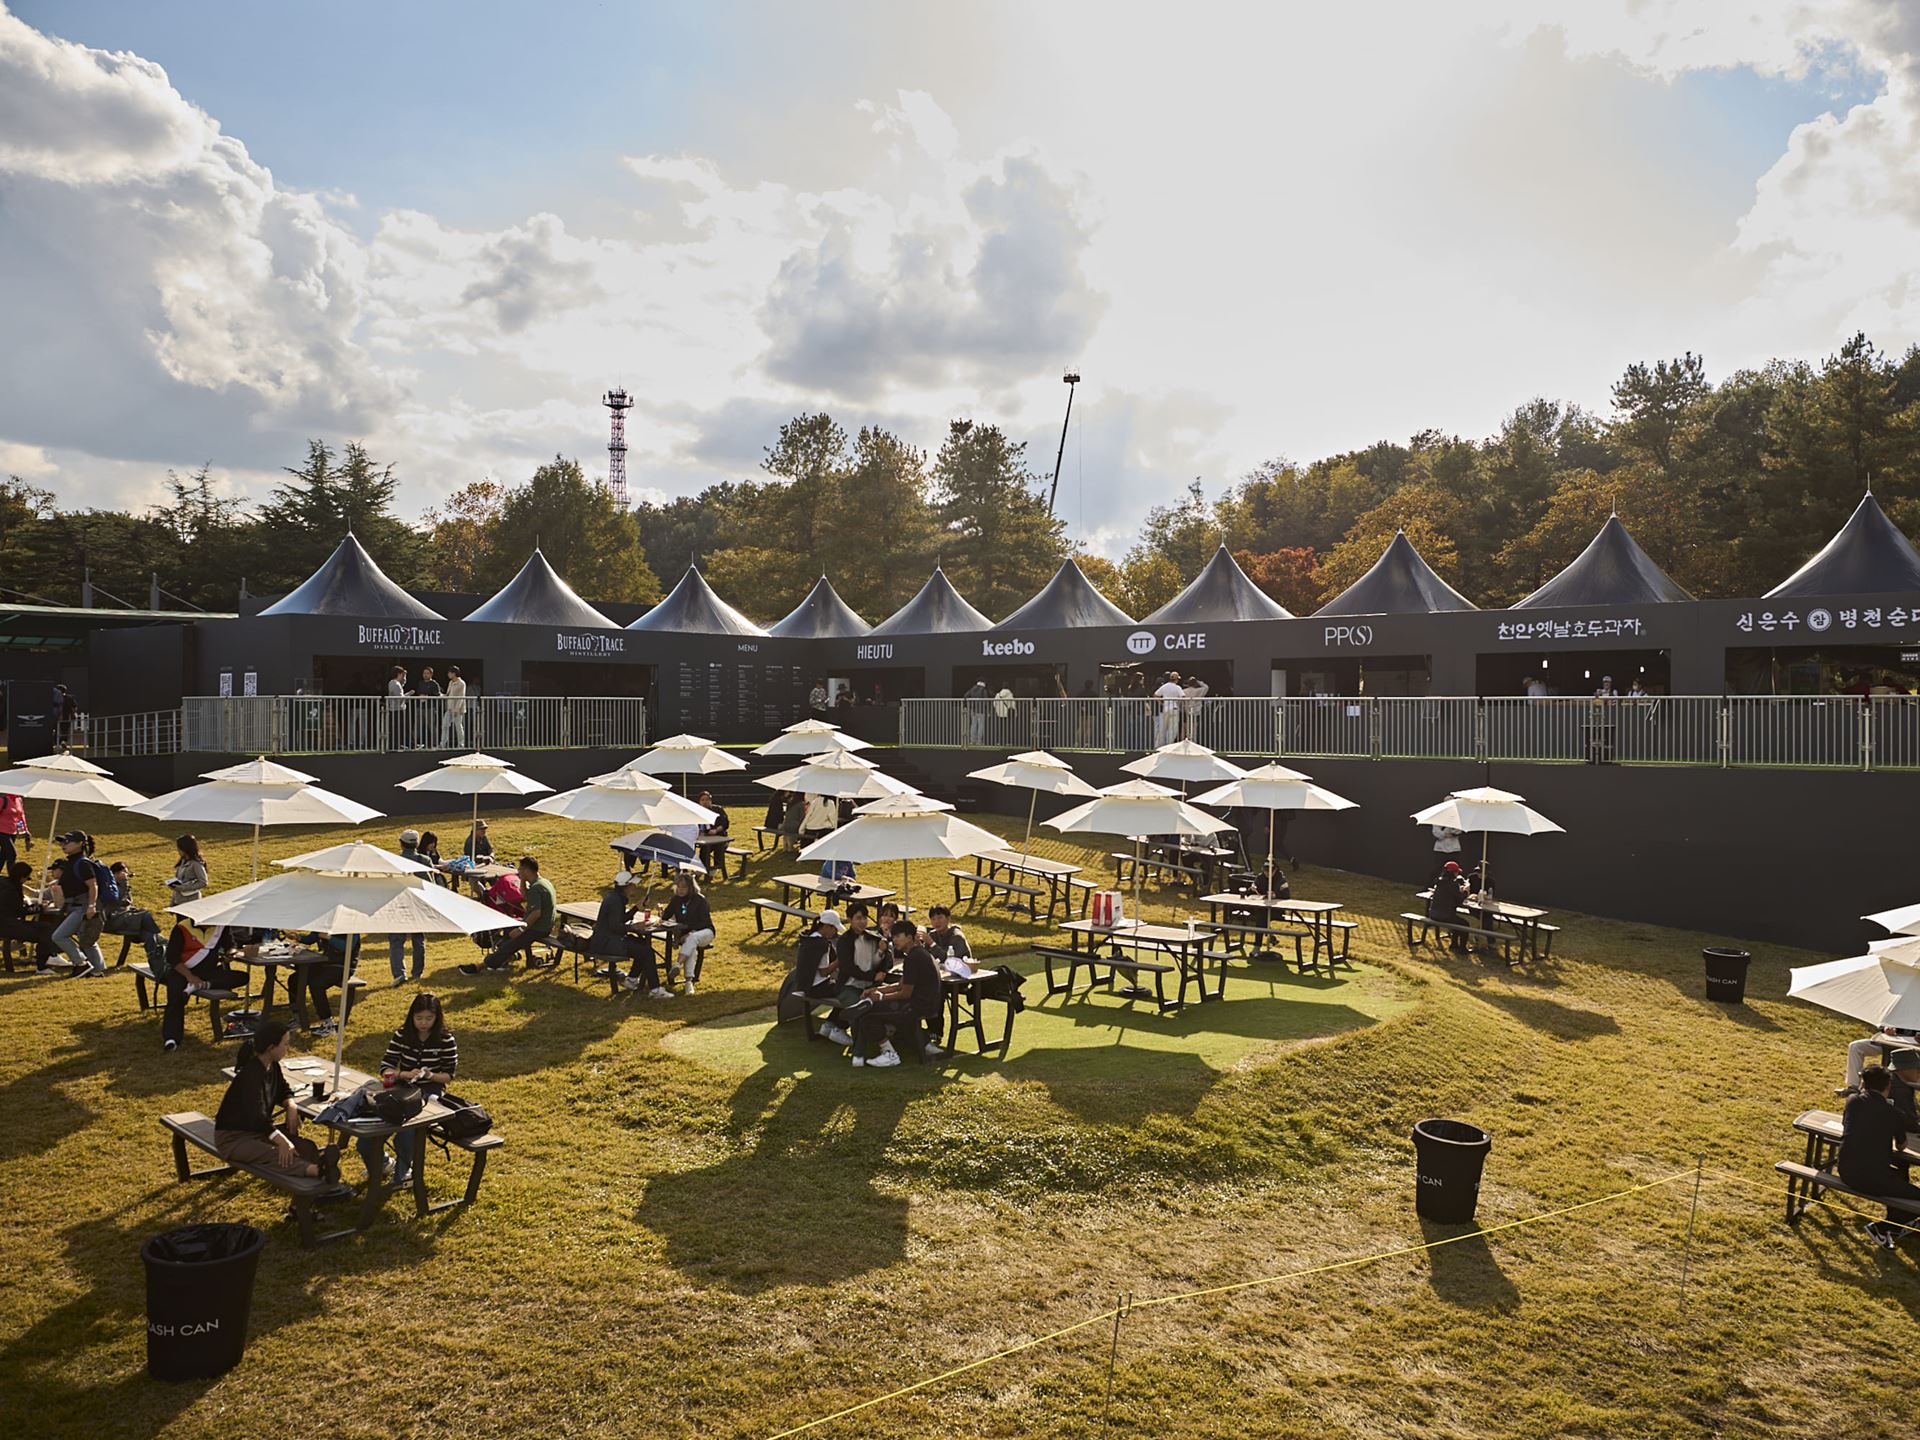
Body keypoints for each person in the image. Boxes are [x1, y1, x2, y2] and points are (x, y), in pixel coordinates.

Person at [213, 1019, 341, 1185]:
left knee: (307, 1147)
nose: (288, 1048)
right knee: (277, 1153)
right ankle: (318, 1171)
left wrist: (291, 1105)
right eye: (285, 1044)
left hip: (257, 1132)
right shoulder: (251, 1076)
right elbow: (257, 1117)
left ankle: (315, 1187)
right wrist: (282, 1140)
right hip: (233, 1138)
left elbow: (283, 1089)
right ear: (271, 1047)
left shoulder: (272, 1066)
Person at [357, 992, 459, 1187]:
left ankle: (403, 1173)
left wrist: (429, 1075)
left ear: (437, 1018)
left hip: (430, 1091)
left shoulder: (446, 1039)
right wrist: (403, 1074)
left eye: (429, 1018)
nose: (423, 1023)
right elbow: (385, 1066)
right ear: (411, 1016)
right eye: (419, 1018)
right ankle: (383, 1165)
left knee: (407, 1132)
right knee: (367, 1137)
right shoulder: (402, 1034)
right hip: (401, 1087)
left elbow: (449, 1075)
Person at [1838, 1067, 1920, 1247]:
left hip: (1845, 1169)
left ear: (1863, 1084)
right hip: (1872, 1178)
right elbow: (1901, 1146)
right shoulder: (1895, 1114)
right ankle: (1883, 1228)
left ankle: (1898, 1224)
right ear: (1888, 1086)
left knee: (1899, 1176)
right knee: (1912, 1192)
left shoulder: (1852, 1102)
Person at [848, 920, 947, 1068]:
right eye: (892, 937)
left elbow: (905, 993)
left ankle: (889, 1053)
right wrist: (876, 990)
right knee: (873, 1006)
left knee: (867, 1014)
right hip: (923, 1004)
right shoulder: (917, 954)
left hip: (918, 1006)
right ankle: (923, 1044)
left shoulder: (915, 957)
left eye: (898, 936)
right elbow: (900, 985)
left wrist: (880, 998)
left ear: (909, 937)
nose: (894, 940)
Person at [462, 856, 556, 975]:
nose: (518, 872)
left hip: (539, 928)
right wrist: (522, 881)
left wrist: (521, 929)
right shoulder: (543, 882)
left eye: (521, 869)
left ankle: (480, 966)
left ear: (527, 870)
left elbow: (536, 913)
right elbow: (526, 897)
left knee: (512, 942)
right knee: (508, 929)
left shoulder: (536, 888)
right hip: (544, 924)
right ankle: (507, 957)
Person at [159, 922, 244, 1052]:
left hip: (208, 973)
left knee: (242, 977)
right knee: (175, 997)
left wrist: (231, 952)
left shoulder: (220, 927)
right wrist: (190, 977)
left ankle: (202, 985)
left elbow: (231, 945)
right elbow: (173, 958)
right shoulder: (182, 928)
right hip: (182, 971)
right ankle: (171, 1038)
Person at [595, 872, 671, 998]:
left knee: (642, 946)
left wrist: (636, 908)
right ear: (626, 886)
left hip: (605, 940)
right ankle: (655, 989)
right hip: (608, 943)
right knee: (646, 952)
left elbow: (618, 920)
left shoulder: (614, 897)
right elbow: (615, 926)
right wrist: (633, 927)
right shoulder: (616, 901)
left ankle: (631, 980)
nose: (634, 887)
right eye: (632, 885)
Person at [49, 830, 106, 976]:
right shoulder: (70, 862)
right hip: (76, 906)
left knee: (59, 936)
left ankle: (81, 963)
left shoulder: (82, 863)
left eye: (67, 841)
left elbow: (93, 885)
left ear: (80, 844)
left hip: (83, 906)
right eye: (62, 841)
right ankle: (98, 971)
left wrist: (91, 906)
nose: (63, 844)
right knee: (86, 939)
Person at [788, 909, 851, 1043]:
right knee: (851, 992)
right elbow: (824, 972)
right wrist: (840, 960)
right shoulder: (822, 944)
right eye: (834, 929)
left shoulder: (807, 938)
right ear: (827, 926)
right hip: (818, 987)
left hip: (805, 986)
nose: (835, 933)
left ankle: (829, 1024)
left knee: (842, 988)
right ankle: (839, 1028)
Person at [658, 871, 716, 994]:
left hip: (705, 932)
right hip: (687, 936)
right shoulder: (676, 900)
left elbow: (705, 921)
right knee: (691, 945)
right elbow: (666, 916)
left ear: (691, 887)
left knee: (692, 938)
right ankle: (688, 981)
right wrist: (661, 911)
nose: (680, 890)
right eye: (678, 886)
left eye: (684, 887)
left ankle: (678, 964)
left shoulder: (700, 900)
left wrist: (690, 930)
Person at [293, 930, 356, 1035]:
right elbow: (311, 938)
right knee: (296, 978)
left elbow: (347, 946)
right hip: (325, 962)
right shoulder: (325, 922)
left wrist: (329, 938)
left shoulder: (350, 925)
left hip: (343, 966)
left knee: (316, 985)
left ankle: (328, 1023)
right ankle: (297, 1015)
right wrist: (298, 937)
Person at [102, 860, 164, 966]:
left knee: (148, 935)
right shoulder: (110, 886)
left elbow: (127, 903)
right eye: (125, 873)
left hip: (124, 917)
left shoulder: (123, 885)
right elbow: (117, 899)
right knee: (146, 916)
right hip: (113, 919)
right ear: (115, 874)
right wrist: (123, 883)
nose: (127, 876)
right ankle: (159, 939)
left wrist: (136, 909)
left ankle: (155, 959)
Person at [389, 829, 428, 984]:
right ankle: (417, 973)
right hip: (419, 903)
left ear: (401, 843)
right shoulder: (425, 860)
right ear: (417, 844)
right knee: (419, 939)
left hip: (400, 903)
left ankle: (399, 973)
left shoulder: (394, 861)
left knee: (396, 940)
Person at [0, 860, 53, 971]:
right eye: (26, 878)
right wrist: (40, 908)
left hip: (6, 923)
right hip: (7, 926)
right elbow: (20, 910)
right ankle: (42, 966)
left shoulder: (3, 882)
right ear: (21, 877)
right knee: (46, 930)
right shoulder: (12, 889)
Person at [1846, 1026, 1920, 1092]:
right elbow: (1886, 1021)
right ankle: (1854, 1087)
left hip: (1915, 1047)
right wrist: (1887, 1027)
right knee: (1855, 1046)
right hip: (1891, 1041)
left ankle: (1908, 1089)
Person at [836, 903, 888, 994]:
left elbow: (873, 963)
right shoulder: (844, 941)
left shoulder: (872, 938)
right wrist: (872, 976)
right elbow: (848, 968)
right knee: (861, 1006)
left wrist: (881, 951)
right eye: (859, 918)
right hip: (849, 986)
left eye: (865, 918)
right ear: (850, 920)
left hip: (870, 985)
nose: (863, 921)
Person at [1425, 861, 1470, 953]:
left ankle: (1454, 945)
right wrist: (1465, 892)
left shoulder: (1439, 882)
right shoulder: (1452, 884)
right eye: (1457, 872)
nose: (1457, 874)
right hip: (1444, 916)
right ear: (1453, 873)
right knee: (1465, 924)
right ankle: (1462, 949)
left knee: (1457, 921)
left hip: (1433, 913)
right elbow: (1459, 900)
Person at [925, 905, 972, 970]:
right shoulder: (932, 935)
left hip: (960, 973)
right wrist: (917, 943)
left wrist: (932, 944)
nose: (936, 922)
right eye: (933, 919)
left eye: (940, 918)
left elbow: (949, 960)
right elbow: (925, 957)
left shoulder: (957, 936)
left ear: (948, 919)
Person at [166, 834, 208, 904]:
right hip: (179, 901)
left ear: (185, 849)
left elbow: (203, 882)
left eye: (179, 849)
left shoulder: (196, 864)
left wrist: (184, 888)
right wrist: (173, 902)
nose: (178, 851)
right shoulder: (182, 861)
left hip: (191, 902)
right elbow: (178, 882)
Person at [1154, 671, 1185, 746]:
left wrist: (1161, 703)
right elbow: (1183, 697)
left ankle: (1158, 745)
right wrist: (1179, 704)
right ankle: (1169, 744)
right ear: (1177, 679)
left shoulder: (1165, 686)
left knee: (1163, 728)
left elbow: (1156, 695)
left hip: (1166, 708)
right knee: (1173, 729)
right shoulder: (1177, 687)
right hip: (1174, 708)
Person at [414, 666, 443, 748]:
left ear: (431, 674)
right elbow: (418, 692)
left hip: (430, 707)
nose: (425, 675)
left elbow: (437, 695)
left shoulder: (434, 684)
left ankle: (435, 743)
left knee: (431, 726)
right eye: (424, 673)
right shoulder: (420, 683)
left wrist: (428, 696)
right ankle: (416, 743)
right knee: (417, 725)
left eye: (427, 673)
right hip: (419, 707)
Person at [442, 665, 468, 748]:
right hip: (449, 708)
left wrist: (457, 709)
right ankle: (443, 743)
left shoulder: (461, 683)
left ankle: (461, 744)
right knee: (445, 725)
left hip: (458, 710)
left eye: (449, 673)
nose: (448, 675)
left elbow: (461, 697)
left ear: (454, 673)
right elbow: (448, 694)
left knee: (458, 726)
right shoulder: (451, 682)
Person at [0, 790, 26, 871]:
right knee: (12, 854)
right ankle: (13, 879)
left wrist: (25, 830)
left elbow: (20, 816)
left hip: (12, 832)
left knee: (3, 856)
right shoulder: (3, 800)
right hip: (2, 832)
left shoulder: (19, 800)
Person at [386, 665, 409, 747]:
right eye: (402, 674)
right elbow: (400, 699)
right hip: (397, 709)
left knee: (397, 728)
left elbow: (402, 685)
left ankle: (397, 744)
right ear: (398, 674)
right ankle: (395, 745)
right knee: (397, 728)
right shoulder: (395, 684)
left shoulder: (393, 683)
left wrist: (405, 676)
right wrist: (409, 694)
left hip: (395, 709)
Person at [964, 677, 989, 745]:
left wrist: (967, 705)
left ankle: (972, 741)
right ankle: (979, 741)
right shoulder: (983, 689)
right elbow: (986, 700)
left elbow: (966, 695)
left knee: (973, 725)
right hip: (981, 710)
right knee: (981, 725)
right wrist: (987, 709)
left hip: (973, 710)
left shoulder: (973, 688)